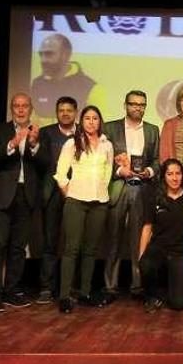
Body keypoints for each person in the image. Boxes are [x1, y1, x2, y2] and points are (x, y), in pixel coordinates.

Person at [0, 93, 41, 312]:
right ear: (11, 109)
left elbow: (45, 163)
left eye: (25, 105)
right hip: (1, 196)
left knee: (18, 248)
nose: (20, 109)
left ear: (31, 108)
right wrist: (12, 143)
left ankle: (11, 291)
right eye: (16, 106)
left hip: (25, 195)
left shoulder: (38, 132)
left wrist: (34, 145)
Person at [100, 90, 160, 303]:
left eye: (142, 104)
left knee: (138, 241)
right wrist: (119, 171)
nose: (138, 107)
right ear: (125, 105)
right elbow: (103, 161)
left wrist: (149, 172)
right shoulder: (109, 128)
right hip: (118, 187)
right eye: (133, 104)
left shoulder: (153, 130)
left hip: (141, 188)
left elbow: (156, 160)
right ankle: (110, 287)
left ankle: (137, 286)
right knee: (113, 239)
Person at [54, 105, 114, 313]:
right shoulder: (72, 143)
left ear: (100, 121)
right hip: (76, 202)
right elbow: (61, 174)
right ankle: (64, 296)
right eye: (87, 118)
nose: (91, 122)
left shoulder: (107, 145)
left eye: (95, 118)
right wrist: (70, 194)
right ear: (82, 121)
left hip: (99, 203)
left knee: (90, 250)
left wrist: (101, 190)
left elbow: (108, 171)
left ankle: (85, 292)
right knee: (71, 249)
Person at [139, 159, 183, 312]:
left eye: (178, 173)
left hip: (180, 252)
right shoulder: (155, 197)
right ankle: (153, 297)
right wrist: (141, 257)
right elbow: (147, 227)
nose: (174, 178)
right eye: (170, 174)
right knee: (146, 264)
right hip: (158, 248)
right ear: (164, 177)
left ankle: (171, 291)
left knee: (179, 304)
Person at [34, 96, 77, 304]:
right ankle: (46, 287)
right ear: (57, 112)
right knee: (50, 242)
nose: (66, 113)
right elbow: (40, 163)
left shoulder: (84, 133)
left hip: (77, 192)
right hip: (51, 193)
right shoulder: (46, 133)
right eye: (62, 110)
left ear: (76, 112)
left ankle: (71, 287)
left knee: (74, 242)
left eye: (69, 110)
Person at [30, 34, 105, 126]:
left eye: (49, 54)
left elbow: (97, 125)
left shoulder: (90, 87)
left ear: (65, 55)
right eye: (41, 55)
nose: (43, 60)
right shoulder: (37, 84)